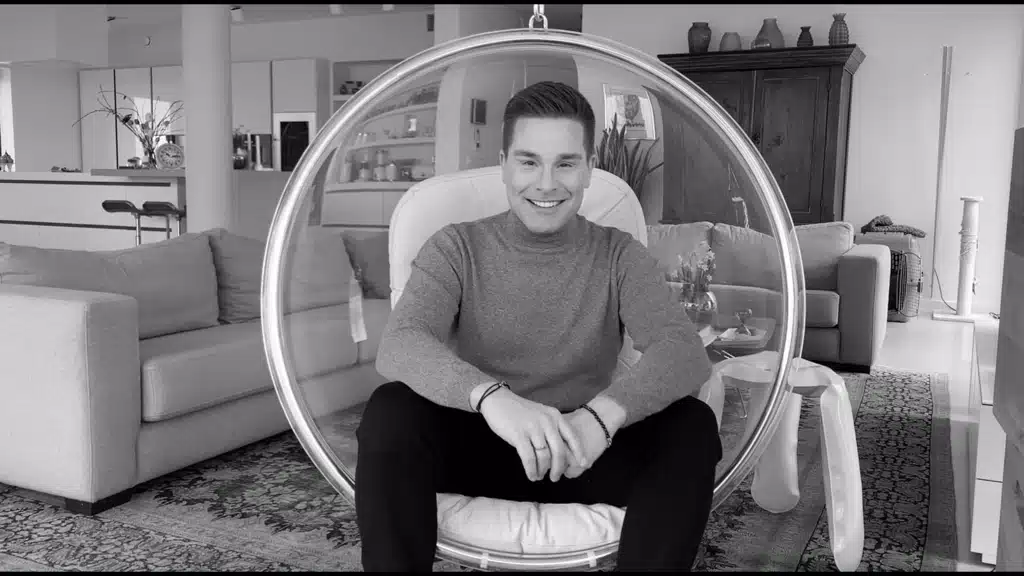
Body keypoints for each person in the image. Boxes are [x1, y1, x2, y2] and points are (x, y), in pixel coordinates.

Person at [355, 81, 721, 572]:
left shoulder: (620, 255)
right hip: (481, 442)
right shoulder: (456, 247)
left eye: (566, 163)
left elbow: (682, 350)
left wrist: (600, 418)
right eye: (529, 162)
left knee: (692, 427)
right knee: (390, 411)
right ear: (504, 164)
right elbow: (401, 343)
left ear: (589, 168)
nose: (546, 184)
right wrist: (494, 400)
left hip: (582, 447)